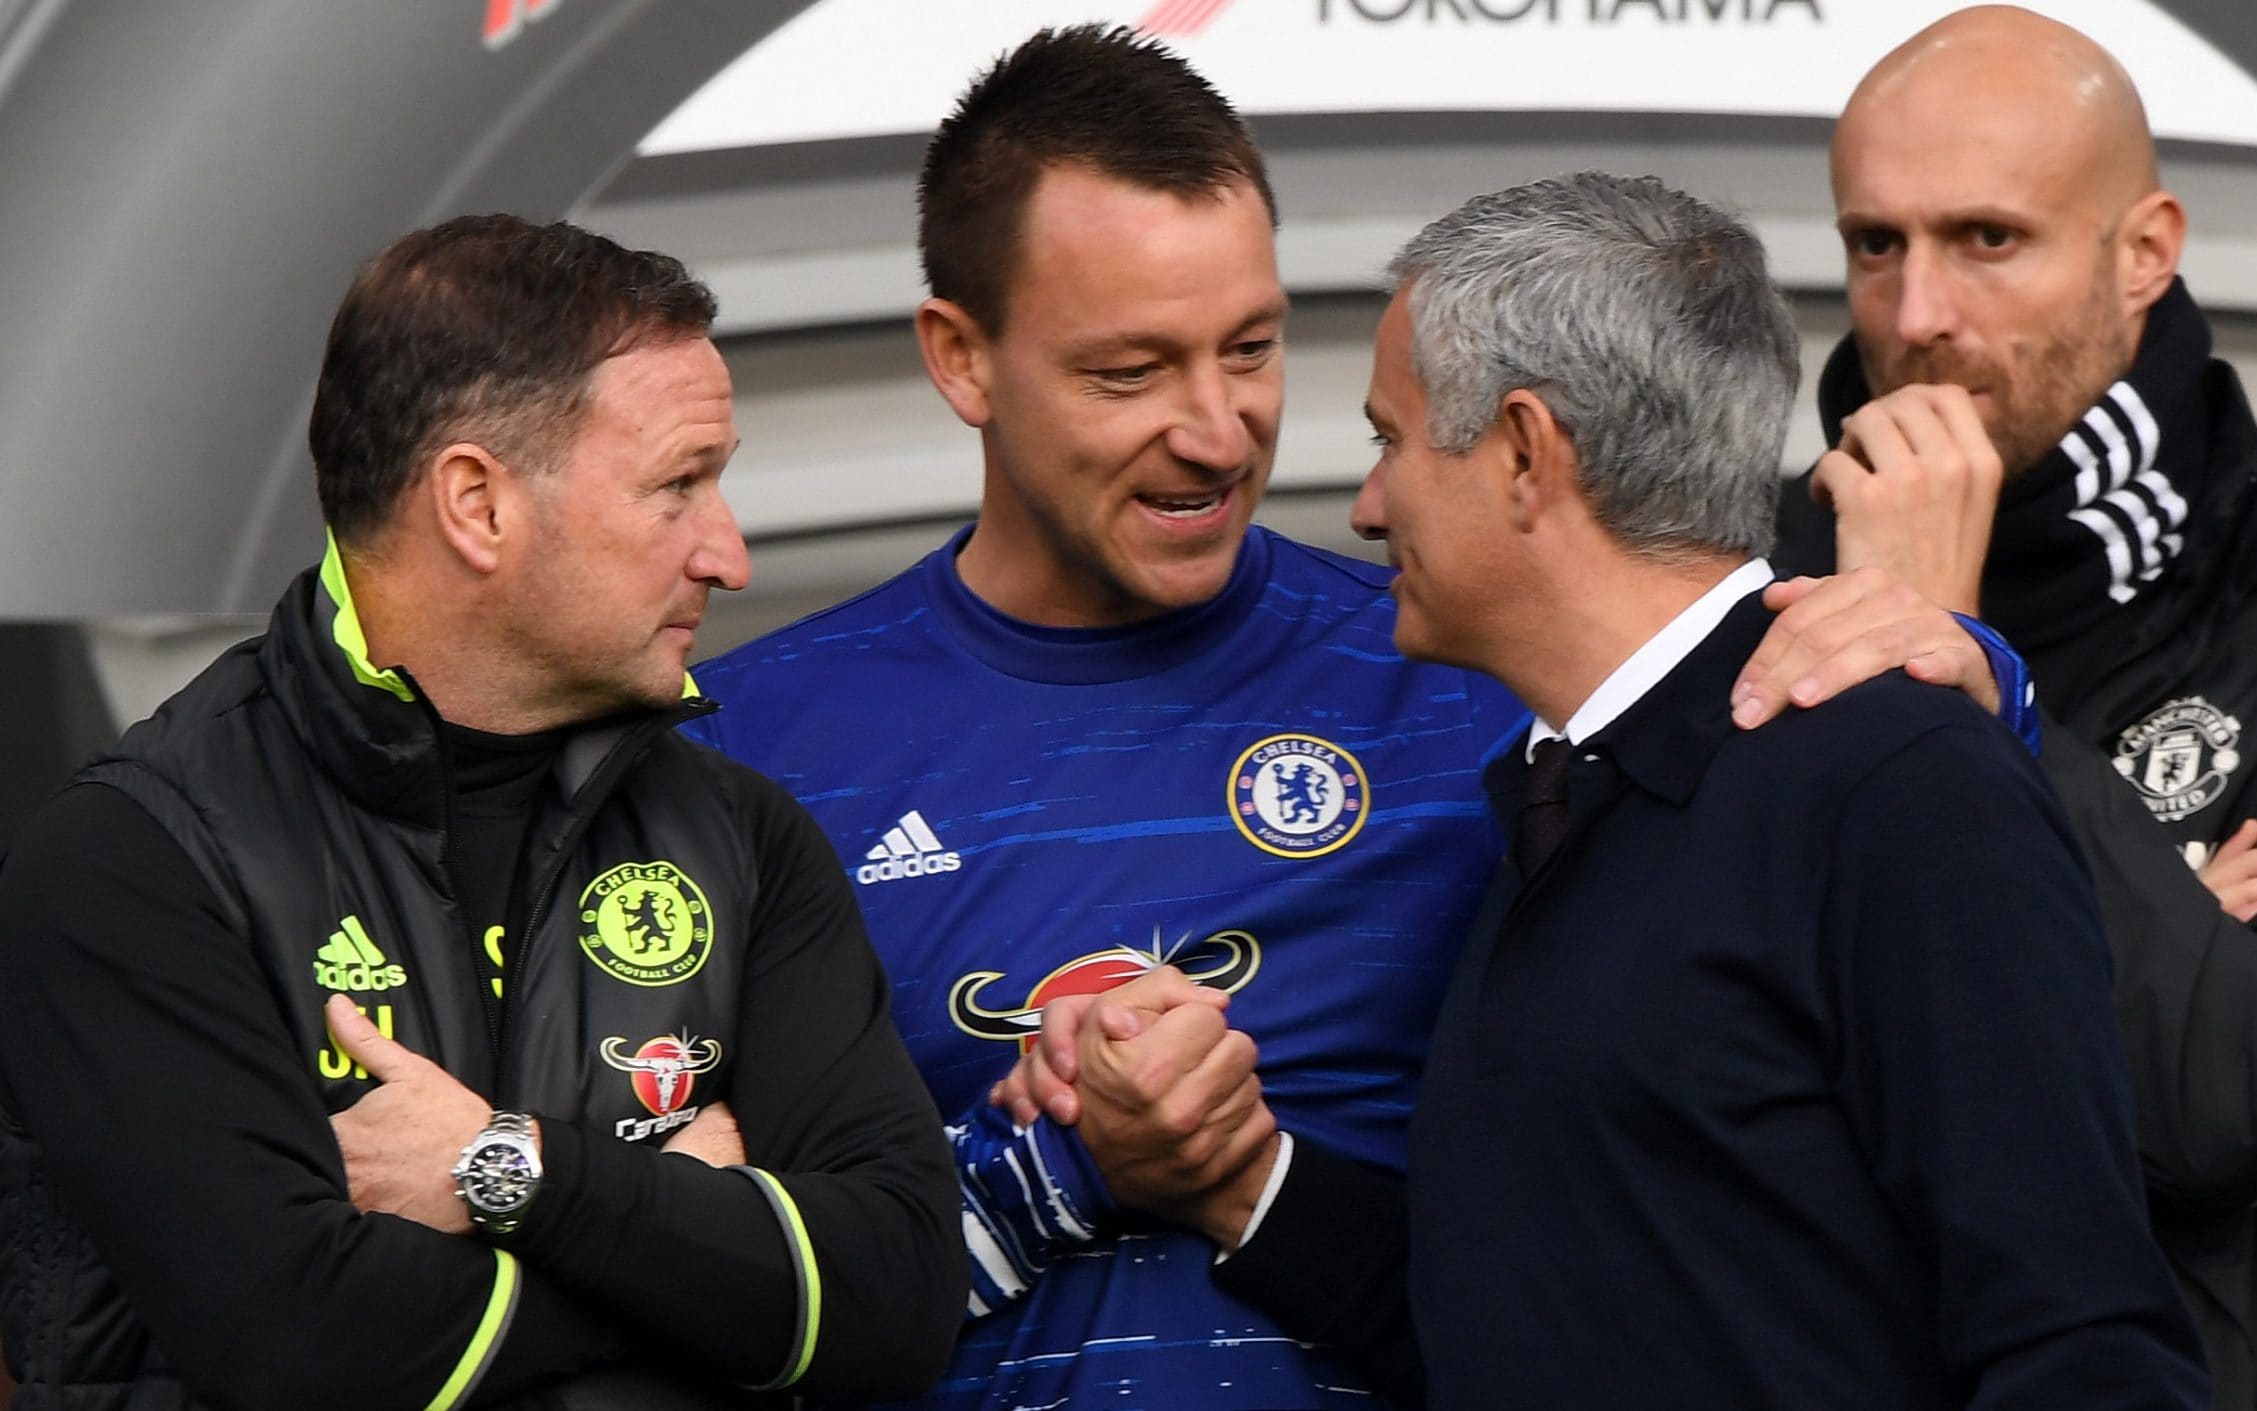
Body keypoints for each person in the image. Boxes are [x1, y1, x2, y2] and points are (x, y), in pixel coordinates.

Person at [687, 27, 2022, 1411]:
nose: (1217, 430)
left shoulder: (1472, 663)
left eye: (1251, 348)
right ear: (962, 358)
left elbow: (1839, 901)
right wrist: (1066, 1155)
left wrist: (1979, 675)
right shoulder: (749, 745)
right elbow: (717, 1285)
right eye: (1129, 372)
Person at [0, 214, 963, 1410]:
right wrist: (684, 1226)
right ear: (477, 504)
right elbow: (301, 1346)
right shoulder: (134, 860)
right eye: (679, 487)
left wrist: (508, 1172)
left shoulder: (747, 841)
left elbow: (903, 1296)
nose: (729, 553)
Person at [1350, 170, 2203, 1407]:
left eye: (1390, 437)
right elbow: (1578, 1308)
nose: (1369, 503)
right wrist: (1242, 1190)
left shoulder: (1895, 785)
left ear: (1527, 451)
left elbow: (2081, 1346)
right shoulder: (1557, 798)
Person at [1769, 9, 2257, 1401]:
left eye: (1986, 239)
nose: (1917, 316)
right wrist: (2167, 919)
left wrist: (1955, 659)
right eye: (1876, 243)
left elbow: (2204, 1101)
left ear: (2144, 251)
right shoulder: (1744, 589)